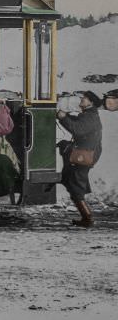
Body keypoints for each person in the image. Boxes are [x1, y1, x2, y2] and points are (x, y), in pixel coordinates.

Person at [57, 91, 103, 228]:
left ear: (91, 103)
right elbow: (78, 123)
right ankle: (86, 217)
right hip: (84, 154)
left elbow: (78, 129)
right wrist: (66, 116)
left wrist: (63, 118)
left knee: (75, 185)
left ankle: (87, 218)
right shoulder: (89, 115)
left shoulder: (90, 117)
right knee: (72, 182)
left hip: (83, 155)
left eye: (85, 98)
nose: (81, 100)